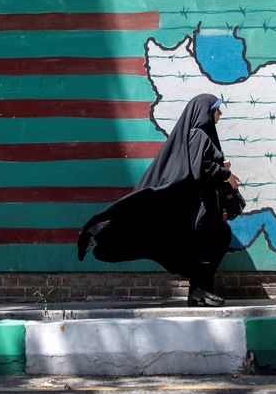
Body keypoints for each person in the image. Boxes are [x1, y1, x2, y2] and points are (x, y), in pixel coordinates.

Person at [77, 93, 239, 307]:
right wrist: (226, 174)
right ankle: (200, 289)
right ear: (205, 112)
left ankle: (199, 291)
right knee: (217, 238)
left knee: (207, 241)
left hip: (195, 209)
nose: (219, 115)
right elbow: (201, 171)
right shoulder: (198, 135)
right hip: (194, 211)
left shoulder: (196, 136)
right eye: (217, 110)